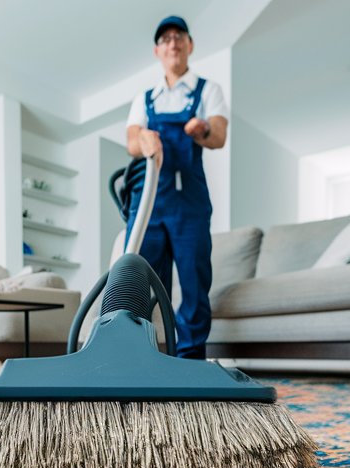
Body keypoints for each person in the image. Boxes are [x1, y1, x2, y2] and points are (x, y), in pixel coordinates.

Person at [125, 15, 228, 360]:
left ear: (190, 45)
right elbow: (130, 142)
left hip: (189, 199)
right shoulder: (145, 98)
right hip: (149, 202)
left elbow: (219, 135)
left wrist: (201, 130)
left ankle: (190, 358)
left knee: (194, 278)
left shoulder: (207, 90)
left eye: (179, 37)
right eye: (166, 39)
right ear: (158, 50)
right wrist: (145, 138)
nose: (173, 43)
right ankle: (144, 356)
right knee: (140, 279)